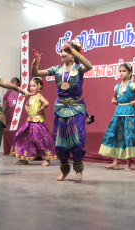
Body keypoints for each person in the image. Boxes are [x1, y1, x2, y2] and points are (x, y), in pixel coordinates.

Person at [31, 40, 92, 181]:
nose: (63, 54)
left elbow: (90, 66)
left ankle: (78, 169)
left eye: (67, 51)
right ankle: (64, 169)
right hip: (60, 108)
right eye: (62, 51)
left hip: (76, 107)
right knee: (59, 142)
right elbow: (35, 72)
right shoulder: (56, 69)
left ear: (74, 54)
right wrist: (36, 61)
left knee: (77, 140)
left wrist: (74, 51)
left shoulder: (78, 68)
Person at [99, 63, 135, 171]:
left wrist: (134, 101)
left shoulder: (132, 85)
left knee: (128, 137)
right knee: (114, 135)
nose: (121, 73)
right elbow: (114, 98)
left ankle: (128, 164)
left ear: (130, 73)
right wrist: (113, 100)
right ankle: (115, 162)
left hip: (129, 114)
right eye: (120, 71)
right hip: (118, 113)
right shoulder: (117, 86)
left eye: (124, 71)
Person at [11, 77, 57, 166]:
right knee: (24, 138)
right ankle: (24, 158)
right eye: (30, 86)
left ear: (39, 86)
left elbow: (46, 103)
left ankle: (47, 159)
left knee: (40, 139)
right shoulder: (31, 96)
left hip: (37, 122)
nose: (31, 88)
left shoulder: (39, 96)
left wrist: (41, 108)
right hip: (30, 121)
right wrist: (27, 110)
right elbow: (26, 105)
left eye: (33, 86)